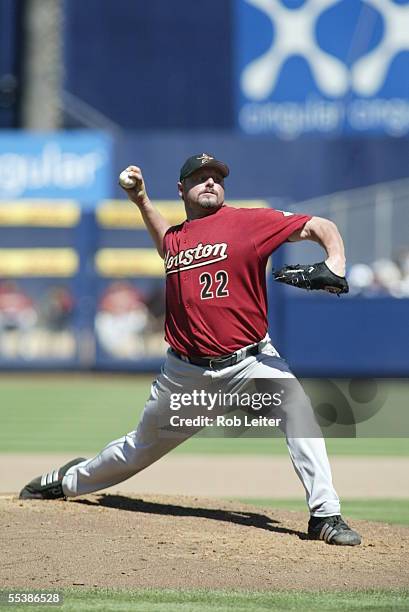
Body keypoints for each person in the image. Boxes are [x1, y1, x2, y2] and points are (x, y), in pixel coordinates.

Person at [20, 153, 361, 546]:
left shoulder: (249, 221)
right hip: (186, 376)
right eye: (200, 177)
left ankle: (325, 516)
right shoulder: (178, 239)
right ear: (182, 189)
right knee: (138, 450)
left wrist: (335, 261)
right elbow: (168, 247)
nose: (211, 182)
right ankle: (68, 481)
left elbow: (321, 225)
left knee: (298, 409)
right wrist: (142, 201)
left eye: (216, 176)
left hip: (250, 363)